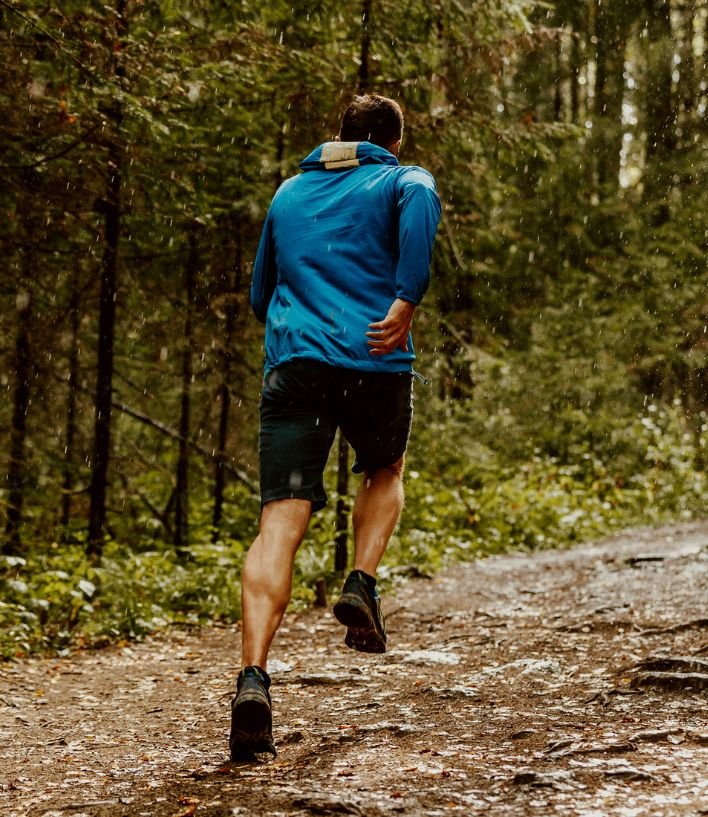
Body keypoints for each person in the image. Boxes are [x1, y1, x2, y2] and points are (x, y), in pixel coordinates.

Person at [229, 94, 442, 761]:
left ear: (341, 137)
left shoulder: (288, 193)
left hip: (296, 365)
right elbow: (421, 204)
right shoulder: (404, 179)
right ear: (390, 142)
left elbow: (261, 295)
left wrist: (307, 311)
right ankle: (362, 580)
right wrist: (405, 296)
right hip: (375, 358)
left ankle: (253, 676)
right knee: (384, 470)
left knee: (279, 520)